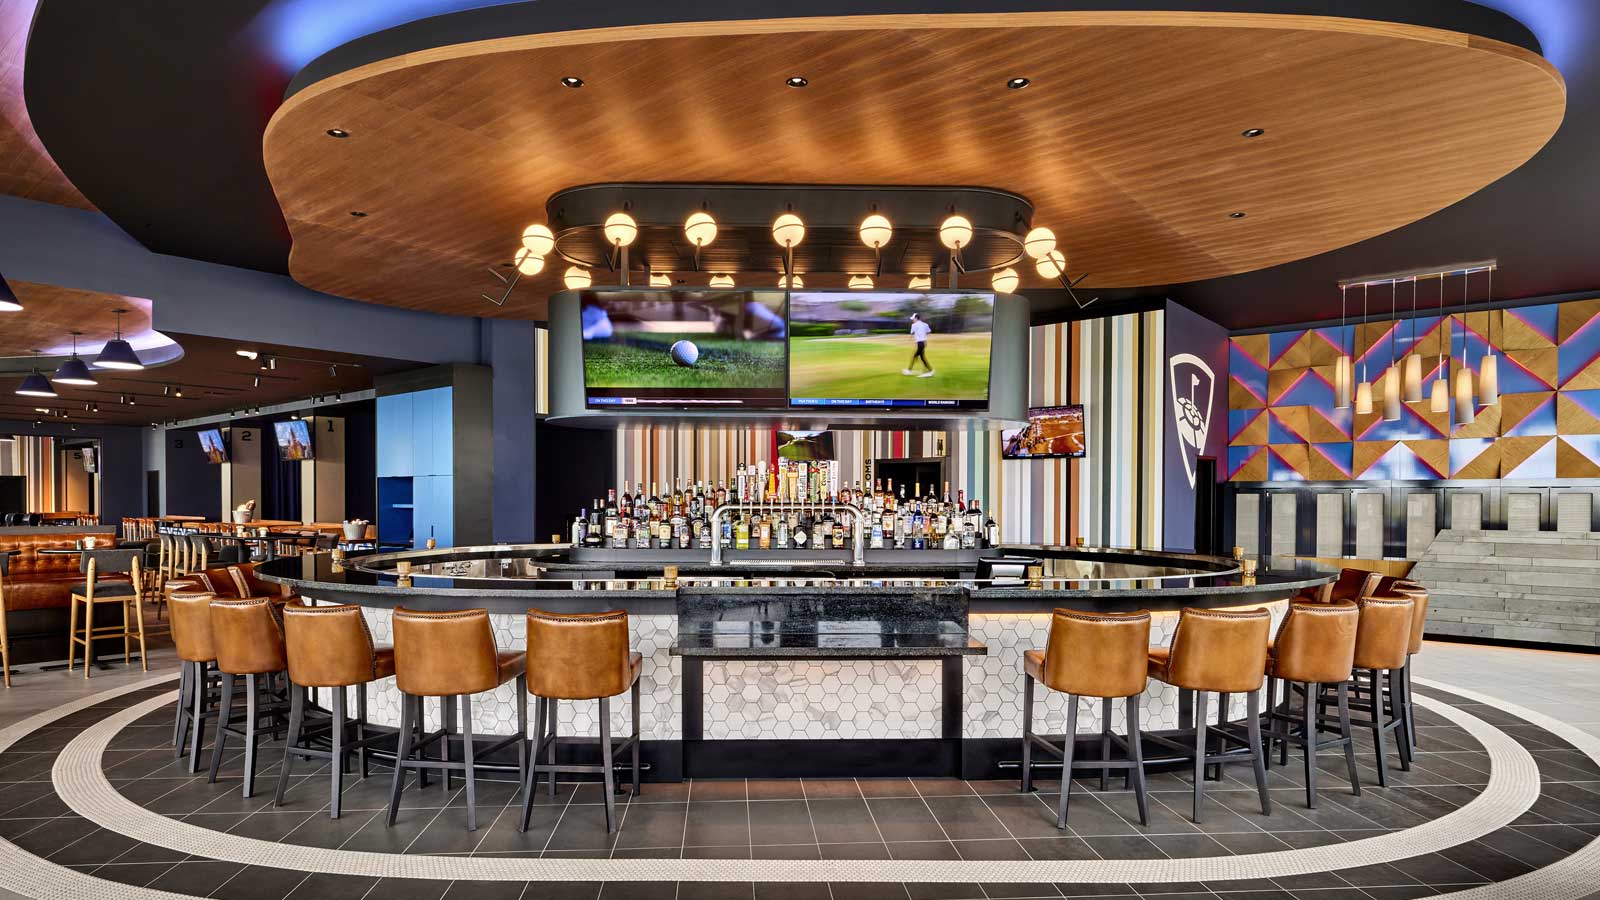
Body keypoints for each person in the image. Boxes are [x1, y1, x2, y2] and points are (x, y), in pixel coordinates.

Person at [903, 312, 935, 377]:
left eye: (913, 318)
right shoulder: (925, 324)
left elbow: (912, 333)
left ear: (916, 318)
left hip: (920, 344)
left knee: (915, 356)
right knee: (922, 357)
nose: (912, 320)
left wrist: (909, 339)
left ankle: (910, 370)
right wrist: (924, 337)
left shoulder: (914, 325)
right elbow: (929, 331)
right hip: (923, 343)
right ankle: (928, 370)